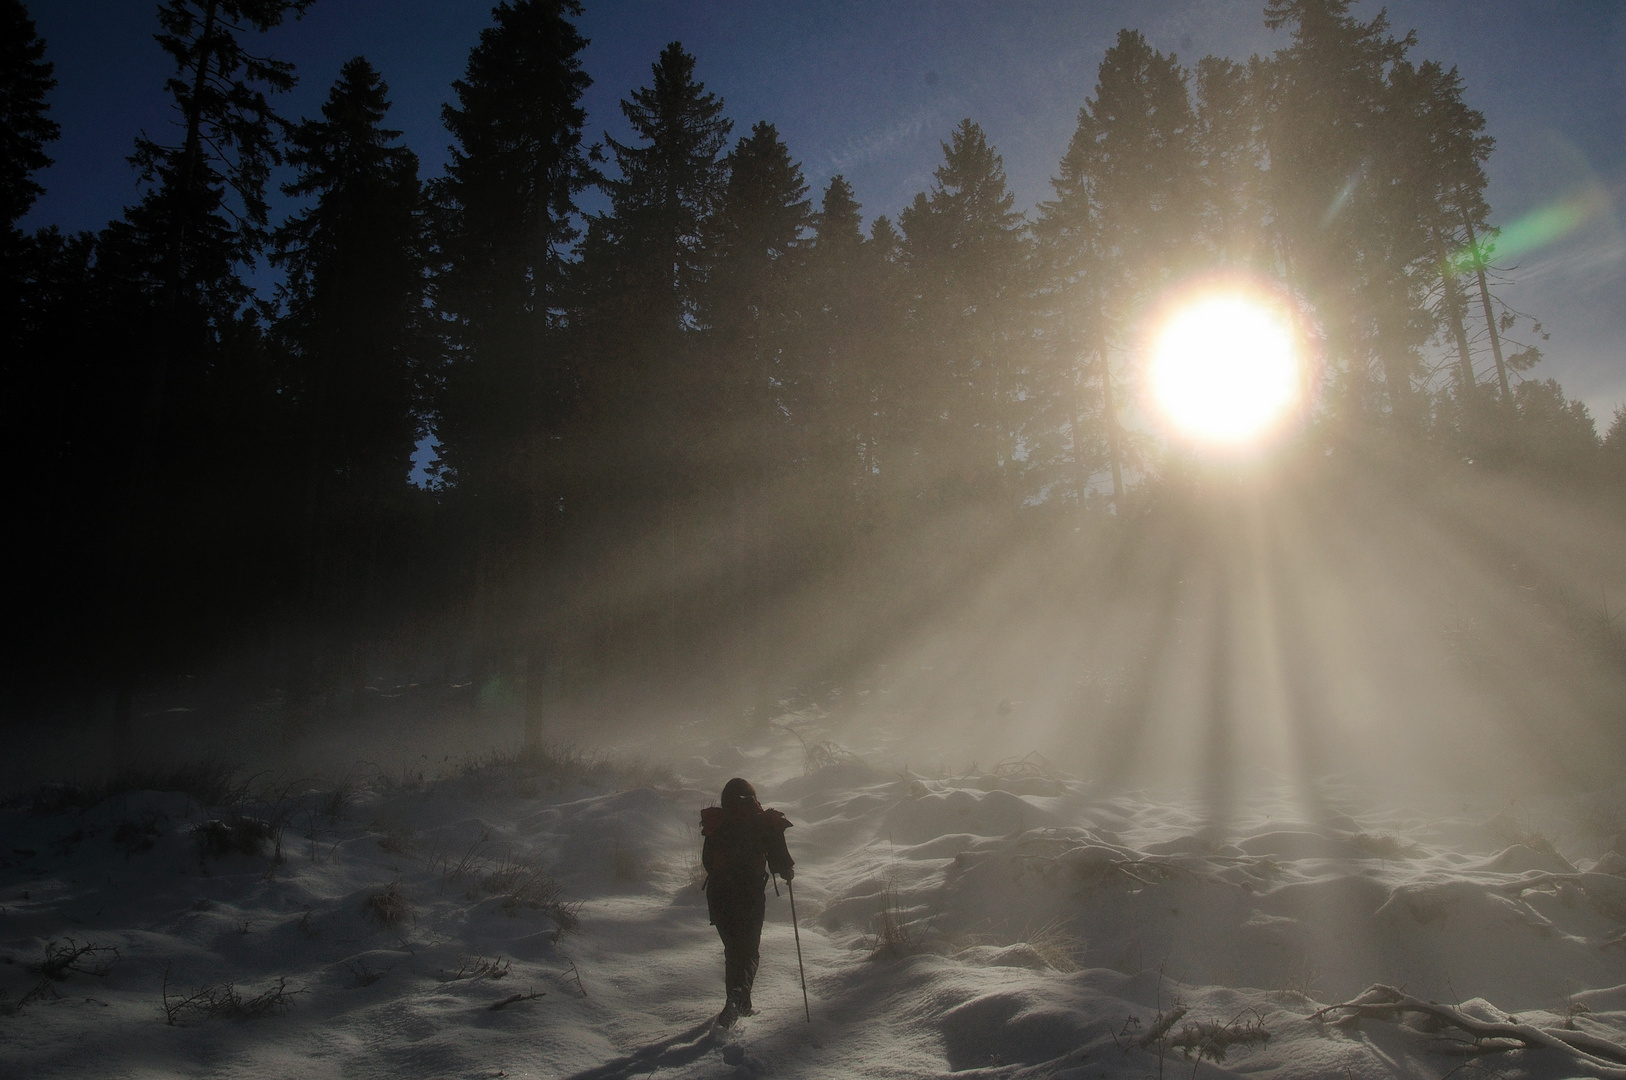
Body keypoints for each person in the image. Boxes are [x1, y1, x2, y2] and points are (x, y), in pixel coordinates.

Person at [700, 777, 794, 1027]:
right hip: (749, 896)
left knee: (733, 950)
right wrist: (787, 872)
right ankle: (739, 997)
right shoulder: (763, 823)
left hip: (720, 896)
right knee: (748, 950)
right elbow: (780, 863)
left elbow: (708, 862)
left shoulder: (716, 823)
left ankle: (738, 1001)